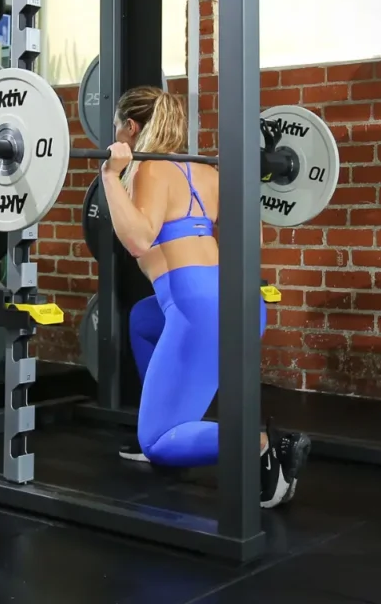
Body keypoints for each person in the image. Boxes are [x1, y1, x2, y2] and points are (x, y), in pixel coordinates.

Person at [96, 85, 308, 508]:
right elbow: (252, 235)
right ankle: (165, 416)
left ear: (131, 127)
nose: (116, 135)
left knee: (157, 442)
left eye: (118, 127)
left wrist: (110, 176)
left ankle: (258, 446)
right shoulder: (206, 170)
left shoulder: (149, 168)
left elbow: (138, 239)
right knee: (143, 320)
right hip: (237, 298)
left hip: (198, 307)